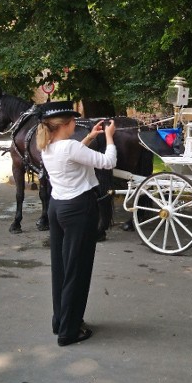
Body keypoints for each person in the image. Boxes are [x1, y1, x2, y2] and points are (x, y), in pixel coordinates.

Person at [37, 101, 117, 347]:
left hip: (57, 208)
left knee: (61, 268)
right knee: (78, 270)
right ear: (65, 124)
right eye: (74, 120)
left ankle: (61, 321)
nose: (76, 124)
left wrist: (90, 138)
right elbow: (108, 162)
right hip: (79, 209)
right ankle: (69, 332)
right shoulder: (69, 147)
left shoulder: (48, 146)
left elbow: (72, 157)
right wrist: (110, 138)